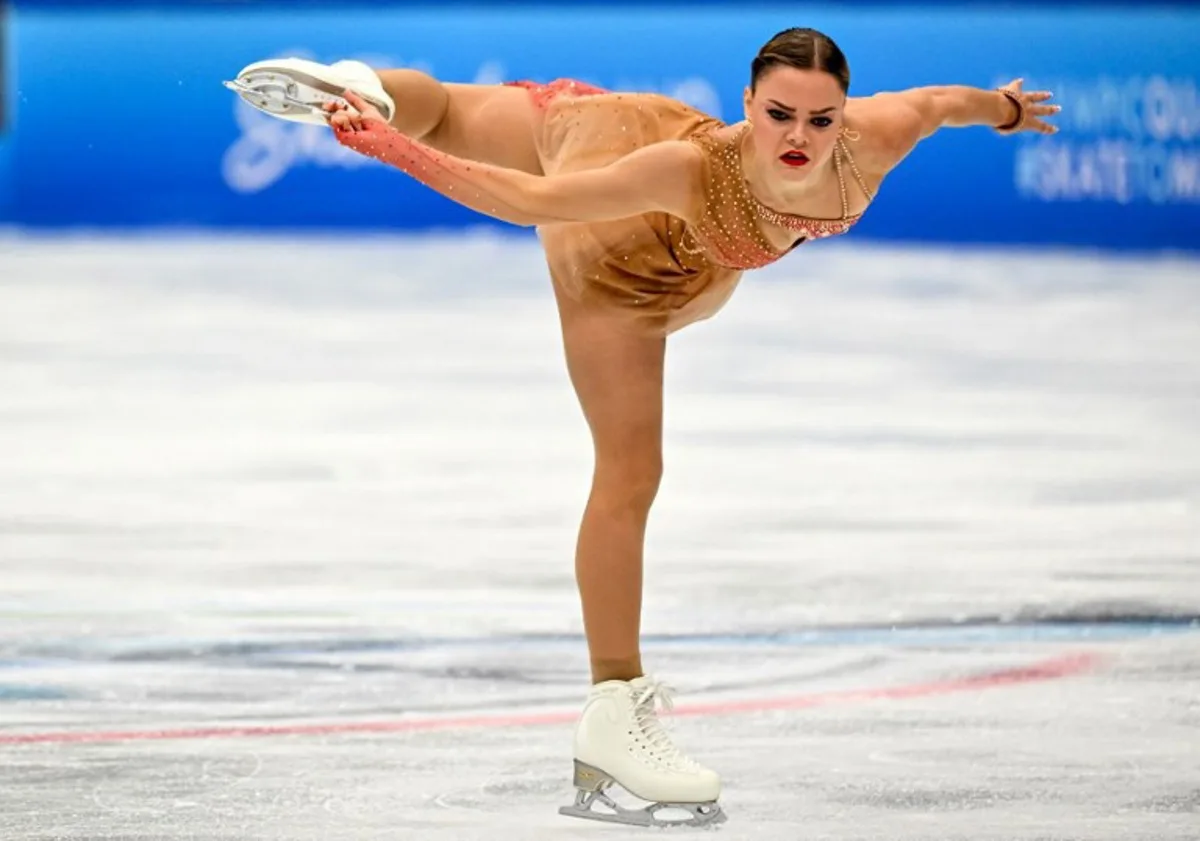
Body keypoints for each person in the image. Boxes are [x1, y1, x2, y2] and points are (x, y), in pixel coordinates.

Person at [226, 27, 1059, 828]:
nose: (799, 136)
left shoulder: (878, 136)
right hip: (617, 259)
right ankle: (614, 708)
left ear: (846, 113)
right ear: (747, 104)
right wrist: (393, 149)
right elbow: (532, 200)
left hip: (631, 142)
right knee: (630, 473)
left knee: (463, 110)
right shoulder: (691, 169)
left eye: (819, 118)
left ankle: (364, 88)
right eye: (778, 114)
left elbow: (943, 103)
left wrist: (1007, 110)